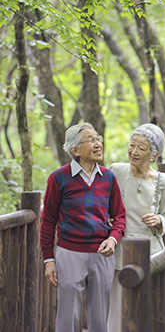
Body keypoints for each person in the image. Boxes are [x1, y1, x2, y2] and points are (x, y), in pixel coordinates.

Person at [40, 122, 126, 332]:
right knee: (67, 320)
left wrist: (113, 239)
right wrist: (49, 259)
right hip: (69, 255)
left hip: (102, 256)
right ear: (75, 150)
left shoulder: (109, 178)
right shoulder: (58, 177)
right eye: (91, 140)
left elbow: (120, 216)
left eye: (99, 139)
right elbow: (48, 220)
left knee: (99, 321)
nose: (98, 144)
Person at [107, 123, 165, 332]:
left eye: (141, 148)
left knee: (147, 305)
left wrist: (158, 221)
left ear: (154, 155)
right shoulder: (116, 171)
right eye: (132, 145)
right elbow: (102, 203)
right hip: (118, 246)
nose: (134, 151)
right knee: (116, 304)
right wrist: (106, 219)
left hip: (150, 250)